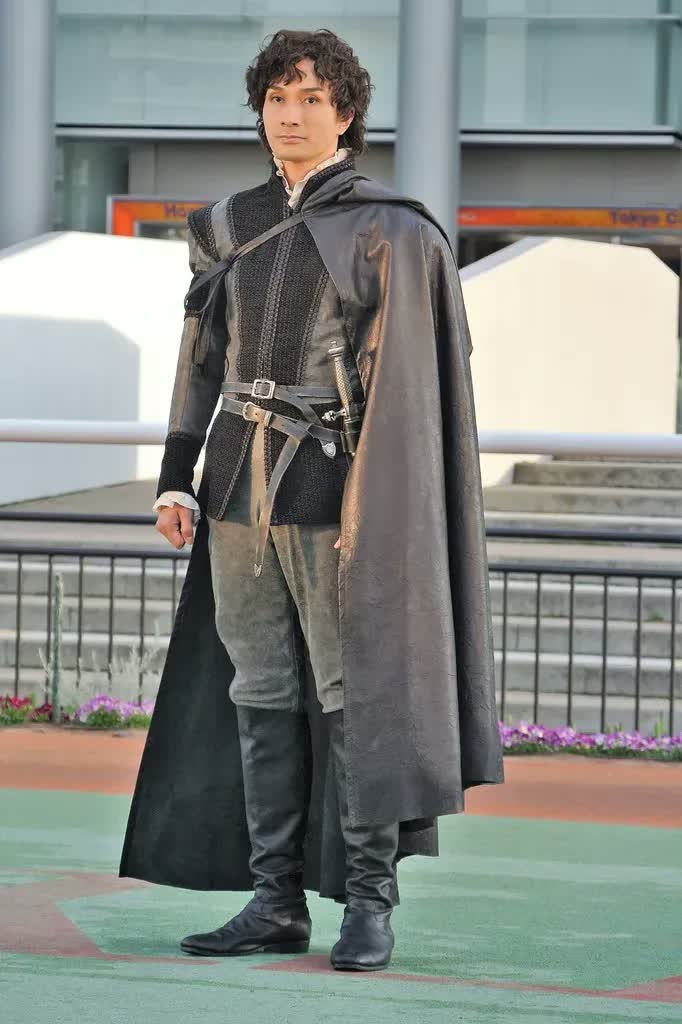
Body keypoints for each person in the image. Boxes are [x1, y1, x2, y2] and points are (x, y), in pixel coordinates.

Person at [119, 28, 504, 973]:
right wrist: (175, 476)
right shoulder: (226, 223)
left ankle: (368, 901)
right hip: (234, 489)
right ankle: (274, 901)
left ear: (346, 113)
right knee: (259, 689)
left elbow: (409, 395)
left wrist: (381, 511)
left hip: (340, 494)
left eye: (311, 99)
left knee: (351, 693)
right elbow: (201, 363)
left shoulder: (391, 230)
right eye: (277, 98)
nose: (290, 115)